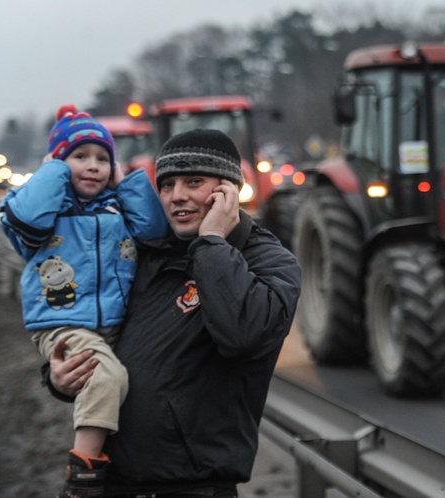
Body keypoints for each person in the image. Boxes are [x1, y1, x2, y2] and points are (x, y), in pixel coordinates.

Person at [46, 128, 302, 497]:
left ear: (228, 190)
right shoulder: (142, 253)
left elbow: (243, 336)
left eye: (193, 181)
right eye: (166, 185)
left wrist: (212, 242)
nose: (176, 196)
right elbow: (93, 326)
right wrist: (58, 377)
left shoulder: (268, 262)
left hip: (193, 487)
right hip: (110, 482)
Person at [0, 104, 169, 497]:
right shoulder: (42, 211)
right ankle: (82, 474)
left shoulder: (115, 208)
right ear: (57, 163)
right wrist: (54, 170)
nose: (92, 166)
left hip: (112, 324)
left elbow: (154, 232)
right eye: (79, 157)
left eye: (102, 158)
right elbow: (26, 219)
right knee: (107, 376)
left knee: (118, 386)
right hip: (63, 323)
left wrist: (125, 181)